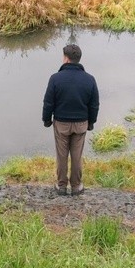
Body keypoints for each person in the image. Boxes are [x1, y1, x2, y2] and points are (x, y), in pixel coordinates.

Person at [42, 43, 99, 197]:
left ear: (66, 59)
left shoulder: (55, 78)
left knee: (62, 156)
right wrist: (91, 122)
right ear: (78, 59)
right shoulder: (90, 79)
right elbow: (94, 104)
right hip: (81, 124)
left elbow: (48, 102)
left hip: (61, 124)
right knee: (76, 156)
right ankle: (76, 186)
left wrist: (46, 120)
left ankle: (61, 186)